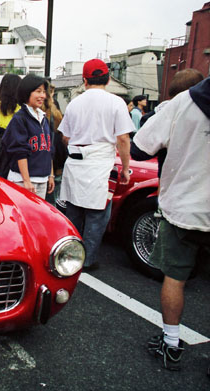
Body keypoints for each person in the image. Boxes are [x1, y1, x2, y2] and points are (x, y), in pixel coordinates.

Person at [133, 76, 210, 372]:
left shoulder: (183, 102)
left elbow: (141, 148)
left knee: (175, 277)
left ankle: (172, 343)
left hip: (184, 208)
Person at [57, 58, 133, 270]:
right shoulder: (116, 102)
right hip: (100, 163)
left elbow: (65, 137)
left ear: (85, 80)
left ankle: (69, 256)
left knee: (73, 213)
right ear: (108, 79)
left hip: (75, 162)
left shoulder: (74, 103)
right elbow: (123, 139)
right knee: (97, 215)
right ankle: (87, 260)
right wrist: (126, 168)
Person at [1, 74, 54, 199]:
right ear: (26, 93)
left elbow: (49, 149)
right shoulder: (20, 118)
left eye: (44, 92)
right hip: (23, 180)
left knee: (39, 216)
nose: (42, 96)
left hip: (42, 179)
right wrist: (26, 180)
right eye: (38, 91)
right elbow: (19, 151)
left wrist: (50, 175)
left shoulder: (43, 117)